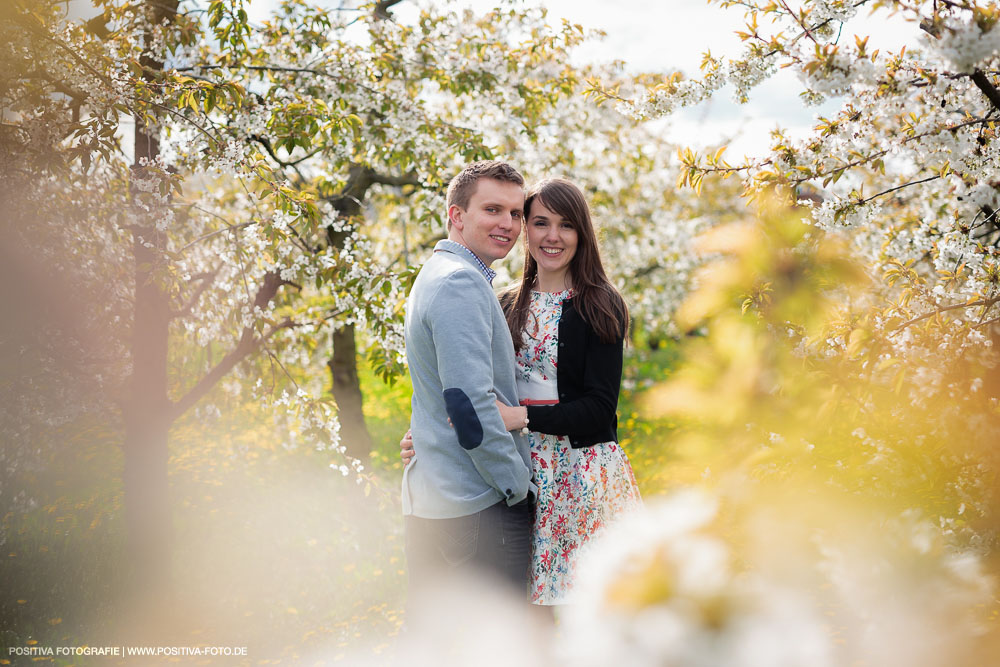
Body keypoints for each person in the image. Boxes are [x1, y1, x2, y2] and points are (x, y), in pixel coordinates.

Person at [403, 177, 641, 607]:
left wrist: (524, 417)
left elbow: (600, 410)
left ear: (582, 234)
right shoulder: (505, 300)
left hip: (577, 474)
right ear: (526, 231)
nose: (553, 236)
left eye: (566, 225)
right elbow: (472, 379)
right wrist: (427, 432)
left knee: (585, 609)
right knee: (525, 613)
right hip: (519, 470)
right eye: (540, 222)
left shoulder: (600, 304)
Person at [401, 160, 537, 606]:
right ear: (457, 216)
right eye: (493, 209)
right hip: (475, 508)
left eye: (516, 213)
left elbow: (439, 389)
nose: (509, 224)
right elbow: (467, 407)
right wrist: (516, 485)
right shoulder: (460, 282)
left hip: (439, 499)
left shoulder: (437, 273)